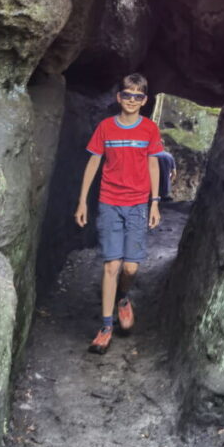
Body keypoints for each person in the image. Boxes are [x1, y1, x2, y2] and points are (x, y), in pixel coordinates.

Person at [74, 73, 164, 354]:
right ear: (119, 97)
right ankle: (105, 326)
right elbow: (93, 162)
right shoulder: (105, 128)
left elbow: (153, 166)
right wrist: (82, 201)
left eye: (138, 96)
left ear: (145, 101)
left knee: (130, 267)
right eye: (127, 94)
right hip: (109, 202)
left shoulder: (149, 129)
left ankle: (123, 298)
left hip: (137, 204)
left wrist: (155, 202)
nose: (132, 100)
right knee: (111, 266)